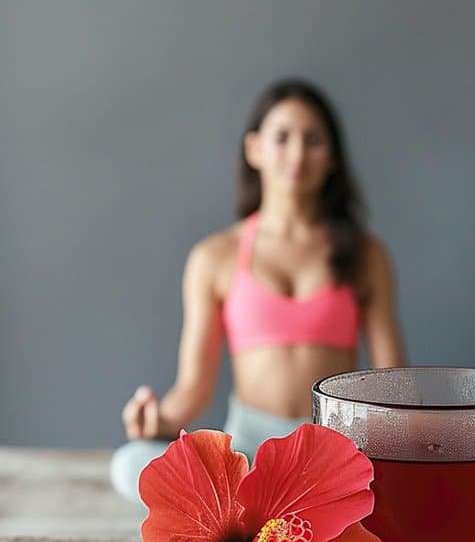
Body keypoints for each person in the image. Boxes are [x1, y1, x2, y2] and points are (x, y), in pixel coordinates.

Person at [111, 78, 405, 500]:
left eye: (314, 139)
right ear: (255, 149)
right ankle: (265, 515)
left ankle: (269, 520)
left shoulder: (366, 255)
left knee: (398, 485)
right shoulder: (215, 256)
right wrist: (155, 421)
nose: (298, 153)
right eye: (282, 137)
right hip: (246, 456)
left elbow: (389, 386)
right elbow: (193, 389)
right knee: (129, 464)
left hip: (333, 452)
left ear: (333, 157)